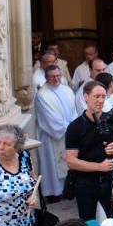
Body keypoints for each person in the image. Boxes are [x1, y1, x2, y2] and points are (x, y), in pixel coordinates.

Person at [65, 80, 113, 221]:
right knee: (89, 225)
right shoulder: (75, 127)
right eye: (96, 96)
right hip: (85, 183)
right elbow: (71, 161)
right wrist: (99, 167)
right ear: (86, 97)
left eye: (103, 97)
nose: (100, 100)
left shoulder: (112, 120)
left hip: (109, 180)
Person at [35, 65, 78, 200]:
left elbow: (75, 111)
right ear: (46, 78)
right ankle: (55, 194)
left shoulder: (67, 90)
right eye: (52, 76)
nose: (56, 79)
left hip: (70, 134)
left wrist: (74, 127)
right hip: (53, 137)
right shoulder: (42, 95)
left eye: (58, 76)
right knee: (54, 167)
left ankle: (70, 191)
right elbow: (50, 119)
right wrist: (70, 128)